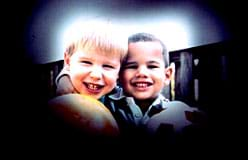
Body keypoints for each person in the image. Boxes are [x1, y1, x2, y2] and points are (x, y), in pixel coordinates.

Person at [56, 32, 207, 146]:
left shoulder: (178, 114)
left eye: (152, 66)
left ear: (168, 75)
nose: (141, 73)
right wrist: (64, 78)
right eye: (132, 66)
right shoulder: (103, 100)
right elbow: (78, 83)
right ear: (118, 74)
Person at [47, 20, 128, 140]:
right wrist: (63, 77)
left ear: (119, 72)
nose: (96, 75)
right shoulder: (57, 102)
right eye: (86, 62)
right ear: (68, 61)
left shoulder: (123, 105)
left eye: (108, 66)